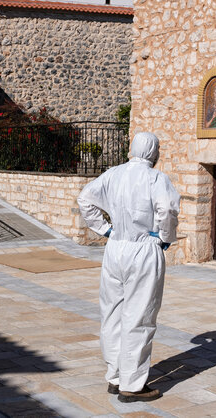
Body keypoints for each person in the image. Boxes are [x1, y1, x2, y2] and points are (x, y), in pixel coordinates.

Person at [77, 131, 180, 403]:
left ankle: (115, 376)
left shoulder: (113, 174)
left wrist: (105, 229)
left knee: (112, 312)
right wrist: (166, 237)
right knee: (139, 315)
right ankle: (132, 384)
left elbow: (85, 199)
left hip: (115, 248)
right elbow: (168, 209)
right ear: (154, 153)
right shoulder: (156, 178)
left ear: (132, 149)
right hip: (144, 248)